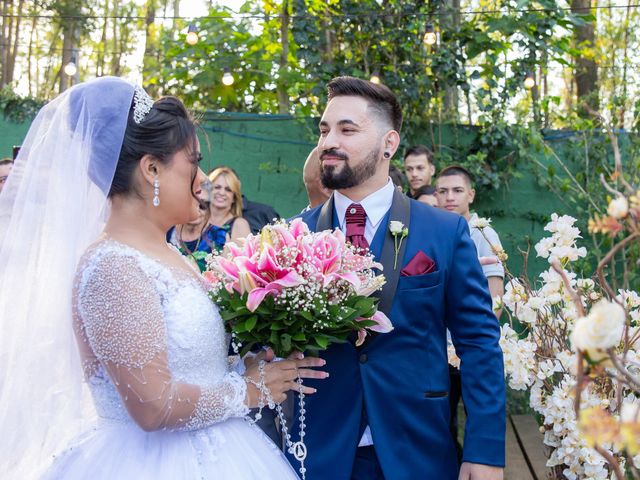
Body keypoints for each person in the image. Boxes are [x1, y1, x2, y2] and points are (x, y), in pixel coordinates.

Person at [0, 77, 327, 479]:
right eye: (194, 161)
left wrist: (246, 368)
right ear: (152, 168)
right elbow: (152, 405)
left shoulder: (168, 253)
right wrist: (248, 391)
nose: (204, 179)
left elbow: (189, 367)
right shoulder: (113, 268)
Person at [292, 76, 505, 480]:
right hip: (318, 453)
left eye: (346, 129)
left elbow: (478, 343)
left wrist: (485, 449)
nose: (328, 141)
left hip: (416, 449)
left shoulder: (445, 232)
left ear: (389, 144)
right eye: (324, 129)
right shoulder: (292, 237)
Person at [167, 167, 251, 271]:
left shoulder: (238, 224)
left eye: (228, 189)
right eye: (217, 187)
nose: (222, 192)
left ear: (234, 197)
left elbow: (240, 267)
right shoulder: (195, 218)